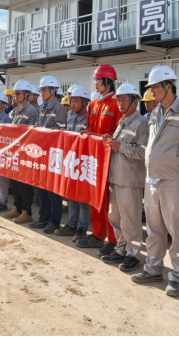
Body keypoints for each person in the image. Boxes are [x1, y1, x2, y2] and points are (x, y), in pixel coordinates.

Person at [131, 65, 179, 298]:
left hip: (175, 181)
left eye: (155, 87)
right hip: (152, 180)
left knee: (178, 232)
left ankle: (178, 276)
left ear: (168, 87)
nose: (151, 92)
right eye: (151, 88)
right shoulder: (154, 113)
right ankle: (153, 269)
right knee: (154, 230)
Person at [100, 83, 149, 273]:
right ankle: (121, 249)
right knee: (115, 217)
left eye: (124, 100)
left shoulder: (141, 123)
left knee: (130, 219)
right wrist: (111, 140)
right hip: (116, 177)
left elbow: (144, 151)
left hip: (130, 180)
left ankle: (133, 254)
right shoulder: (123, 121)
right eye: (118, 100)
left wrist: (120, 146)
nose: (120, 103)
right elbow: (118, 145)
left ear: (135, 102)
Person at [77, 65, 123, 254]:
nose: (95, 83)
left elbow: (118, 133)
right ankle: (97, 235)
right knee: (94, 199)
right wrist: (87, 133)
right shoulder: (94, 103)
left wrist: (102, 137)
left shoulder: (117, 104)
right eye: (95, 80)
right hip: (94, 159)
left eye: (98, 80)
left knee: (108, 202)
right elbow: (91, 126)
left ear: (108, 82)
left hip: (110, 160)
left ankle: (113, 240)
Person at [30, 76, 68, 234]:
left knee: (53, 190)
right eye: (40, 90)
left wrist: (42, 133)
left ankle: (54, 221)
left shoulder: (59, 108)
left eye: (44, 90)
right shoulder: (41, 108)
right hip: (41, 153)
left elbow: (60, 131)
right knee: (41, 188)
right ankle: (43, 217)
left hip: (53, 155)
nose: (41, 92)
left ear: (53, 91)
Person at [54, 86, 91, 242]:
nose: (72, 103)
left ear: (85, 102)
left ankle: (82, 228)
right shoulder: (70, 118)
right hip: (70, 162)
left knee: (82, 199)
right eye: (71, 100)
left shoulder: (90, 120)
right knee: (71, 195)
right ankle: (71, 225)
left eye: (75, 100)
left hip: (82, 164)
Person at [4, 80, 38, 223]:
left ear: (26, 95)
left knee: (25, 184)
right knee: (15, 182)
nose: (15, 96)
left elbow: (32, 134)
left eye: (18, 94)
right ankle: (17, 208)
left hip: (25, 152)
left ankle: (26, 212)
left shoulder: (31, 111)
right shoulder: (17, 110)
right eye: (14, 94)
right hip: (15, 151)